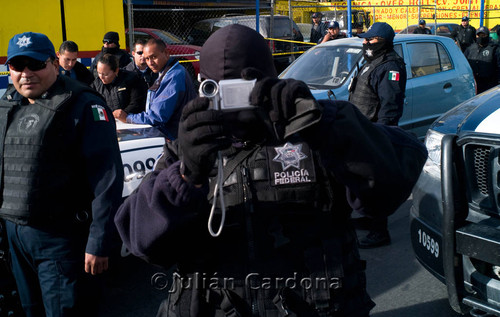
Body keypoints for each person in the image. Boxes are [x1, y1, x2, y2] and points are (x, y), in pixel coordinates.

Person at [114, 24, 427, 317]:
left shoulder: (315, 132)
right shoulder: (190, 149)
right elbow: (139, 240)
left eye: (243, 86)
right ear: (203, 87)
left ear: (268, 80)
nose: (232, 99)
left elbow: (393, 183)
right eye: (218, 88)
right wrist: (185, 176)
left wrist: (326, 122)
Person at [1, 32, 123, 316]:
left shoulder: (82, 105)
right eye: (18, 66)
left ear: (55, 64)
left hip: (59, 239)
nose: (26, 73)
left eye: (35, 64)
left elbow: (106, 179)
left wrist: (99, 241)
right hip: (15, 236)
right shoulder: (7, 105)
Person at [348, 22, 407, 248]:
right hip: (363, 128)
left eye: (370, 40)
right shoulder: (371, 62)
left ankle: (379, 231)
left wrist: (382, 135)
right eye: (365, 39)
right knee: (363, 180)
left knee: (376, 181)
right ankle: (370, 217)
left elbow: (390, 106)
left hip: (376, 131)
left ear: (382, 41)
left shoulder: (390, 66)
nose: (365, 42)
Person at [114, 38, 196, 140]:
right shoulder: (167, 72)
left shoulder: (173, 76)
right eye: (147, 58)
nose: (150, 62)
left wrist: (127, 118)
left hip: (176, 139)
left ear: (166, 53)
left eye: (154, 57)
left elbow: (157, 116)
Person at [464, 26, 500, 94]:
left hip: (489, 84)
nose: (480, 37)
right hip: (473, 83)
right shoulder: (470, 48)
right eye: (478, 35)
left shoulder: (494, 48)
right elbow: (464, 64)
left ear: (487, 36)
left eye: (483, 35)